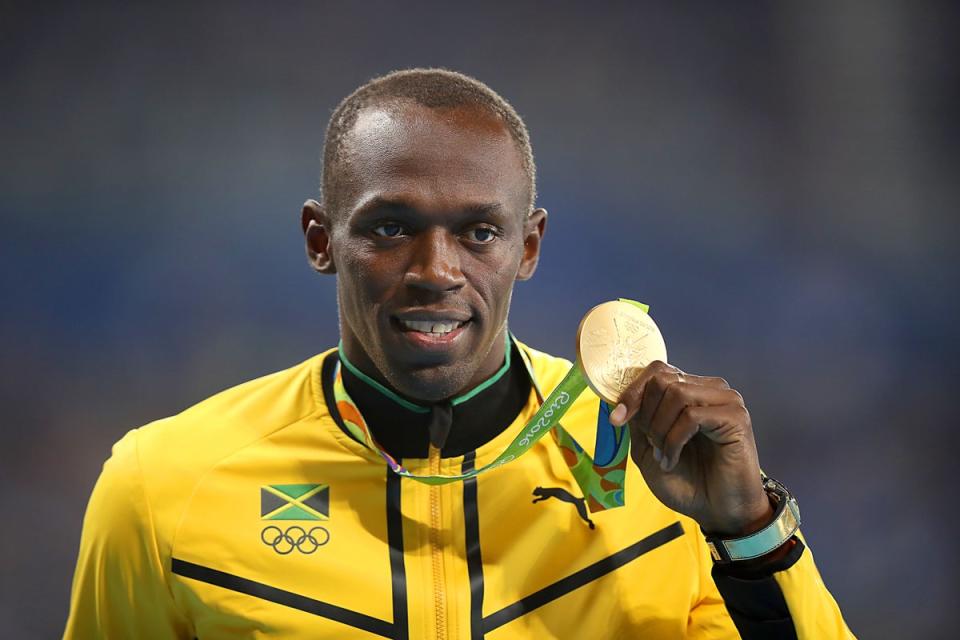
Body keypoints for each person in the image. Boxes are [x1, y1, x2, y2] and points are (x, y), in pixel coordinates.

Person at [64, 68, 854, 639]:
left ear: (528, 246)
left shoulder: (663, 469)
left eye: (478, 232)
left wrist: (749, 534)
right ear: (320, 240)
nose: (436, 271)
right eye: (389, 227)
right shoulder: (162, 488)